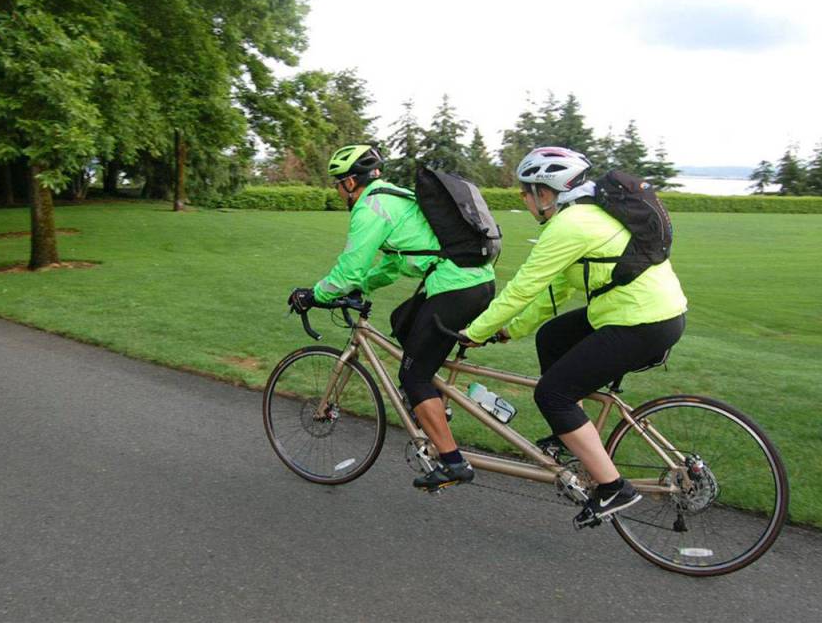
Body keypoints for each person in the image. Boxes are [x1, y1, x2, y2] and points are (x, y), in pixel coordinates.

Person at [461, 147, 687, 527]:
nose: (523, 199)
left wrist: (473, 332)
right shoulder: (587, 217)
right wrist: (507, 330)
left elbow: (523, 288)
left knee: (552, 393)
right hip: (646, 312)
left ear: (545, 193)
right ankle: (569, 430)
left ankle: (613, 487)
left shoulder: (570, 225)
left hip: (641, 321)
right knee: (552, 337)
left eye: (525, 192)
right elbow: (555, 294)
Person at [288, 144, 496, 491]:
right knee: (403, 321)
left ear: (351, 182)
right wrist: (362, 287)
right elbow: (391, 264)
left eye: (338, 183)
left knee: (413, 375)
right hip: (472, 282)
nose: (338, 191)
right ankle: (431, 407)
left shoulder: (370, 207)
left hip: (455, 288)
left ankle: (452, 462)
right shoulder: (395, 197)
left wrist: (317, 294)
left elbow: (349, 268)